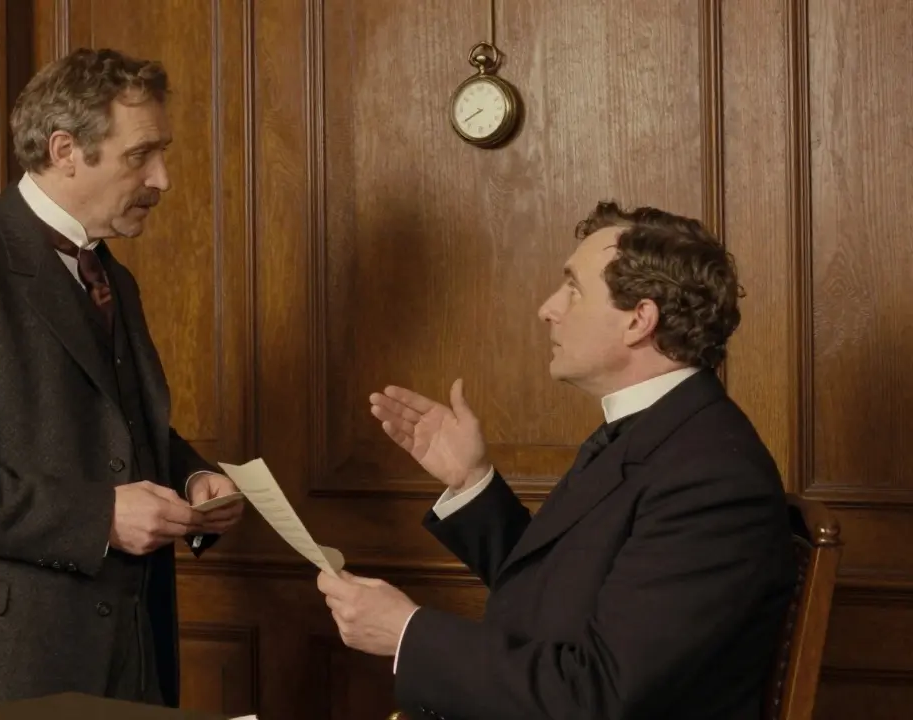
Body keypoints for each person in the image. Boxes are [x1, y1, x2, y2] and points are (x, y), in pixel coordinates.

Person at [0, 47, 245, 712]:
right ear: (65, 150)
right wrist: (101, 518)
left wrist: (191, 478)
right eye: (141, 155)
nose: (162, 178)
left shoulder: (113, 278)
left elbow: (114, 426)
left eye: (163, 153)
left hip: (128, 659)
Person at [316, 202, 797, 719]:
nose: (548, 308)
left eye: (573, 288)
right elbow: (560, 595)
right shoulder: (660, 432)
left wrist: (406, 633)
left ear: (639, 320)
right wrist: (472, 481)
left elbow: (597, 698)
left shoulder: (711, 478)